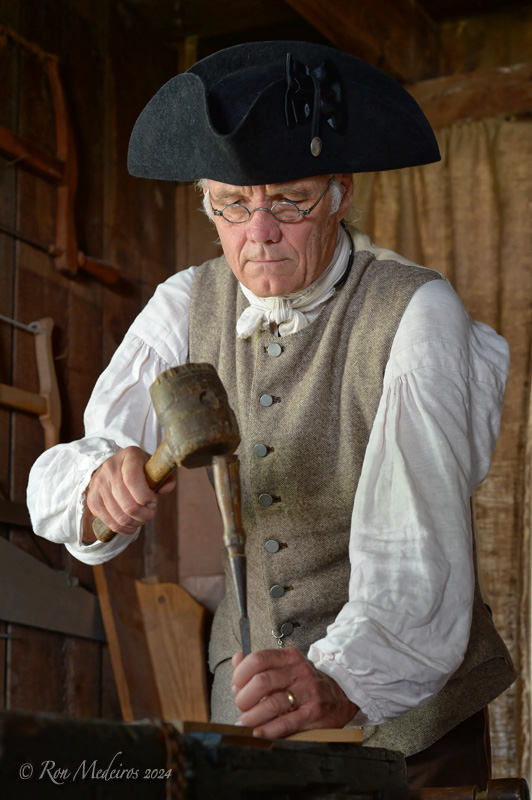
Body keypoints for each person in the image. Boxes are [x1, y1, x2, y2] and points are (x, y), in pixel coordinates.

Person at [27, 41, 517, 790]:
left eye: (290, 201)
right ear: (207, 204)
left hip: (406, 725)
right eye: (232, 204)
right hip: (248, 722)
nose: (258, 232)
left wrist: (345, 682)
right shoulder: (184, 305)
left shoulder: (416, 313)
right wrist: (100, 483)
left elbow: (416, 550)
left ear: (339, 194)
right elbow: (86, 466)